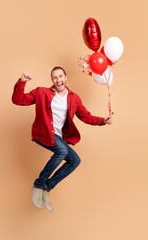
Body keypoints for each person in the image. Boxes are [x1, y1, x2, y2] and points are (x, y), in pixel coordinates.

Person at [12, 66, 113, 211]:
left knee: (75, 160)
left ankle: (47, 187)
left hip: (58, 137)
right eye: (55, 77)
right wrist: (22, 82)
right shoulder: (42, 92)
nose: (58, 80)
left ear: (65, 78)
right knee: (62, 151)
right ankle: (38, 185)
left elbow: (86, 117)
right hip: (43, 133)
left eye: (60, 76)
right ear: (52, 80)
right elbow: (18, 100)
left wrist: (103, 120)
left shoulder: (74, 98)